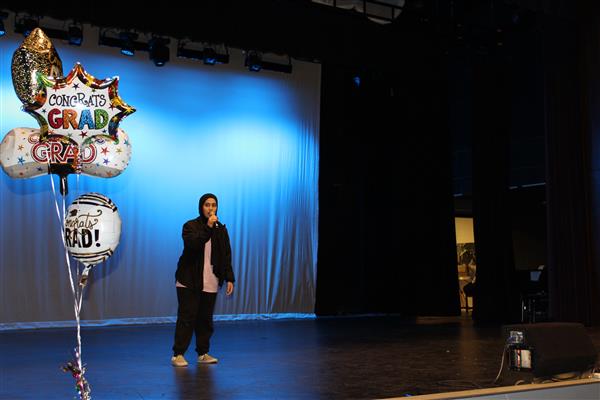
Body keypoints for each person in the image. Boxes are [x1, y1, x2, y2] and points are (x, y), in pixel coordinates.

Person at [171, 193, 235, 367]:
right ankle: (178, 354)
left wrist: (229, 278)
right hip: (188, 280)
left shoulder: (221, 229)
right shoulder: (190, 226)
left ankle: (203, 353)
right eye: (207, 205)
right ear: (201, 207)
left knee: (205, 320)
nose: (211, 208)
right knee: (187, 317)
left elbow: (226, 255)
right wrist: (208, 226)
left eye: (214, 205)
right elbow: (193, 245)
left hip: (210, 280)